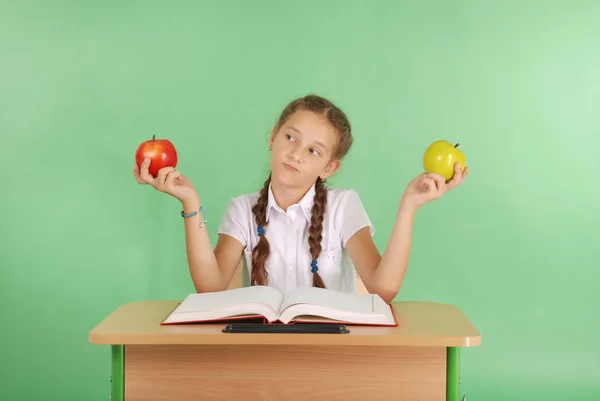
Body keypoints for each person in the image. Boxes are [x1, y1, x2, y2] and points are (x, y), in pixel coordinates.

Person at [133, 95, 468, 303]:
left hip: (335, 354)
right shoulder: (242, 209)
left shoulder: (343, 206)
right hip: (263, 354)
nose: (295, 154)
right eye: (290, 137)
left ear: (329, 167)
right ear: (273, 136)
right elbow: (211, 287)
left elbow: (383, 290)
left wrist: (408, 206)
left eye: (313, 150)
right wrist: (190, 203)